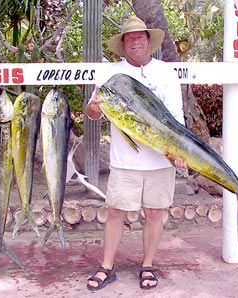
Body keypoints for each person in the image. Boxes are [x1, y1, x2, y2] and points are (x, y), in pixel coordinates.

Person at [85, 15, 187, 291]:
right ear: (123, 44)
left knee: (155, 213)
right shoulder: (110, 75)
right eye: (130, 37)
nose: (135, 41)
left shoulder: (166, 72)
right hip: (124, 161)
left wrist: (179, 152)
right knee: (116, 213)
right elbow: (93, 112)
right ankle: (107, 267)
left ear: (148, 41)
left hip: (161, 160)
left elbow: (177, 118)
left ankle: (148, 265)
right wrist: (94, 109)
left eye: (140, 36)